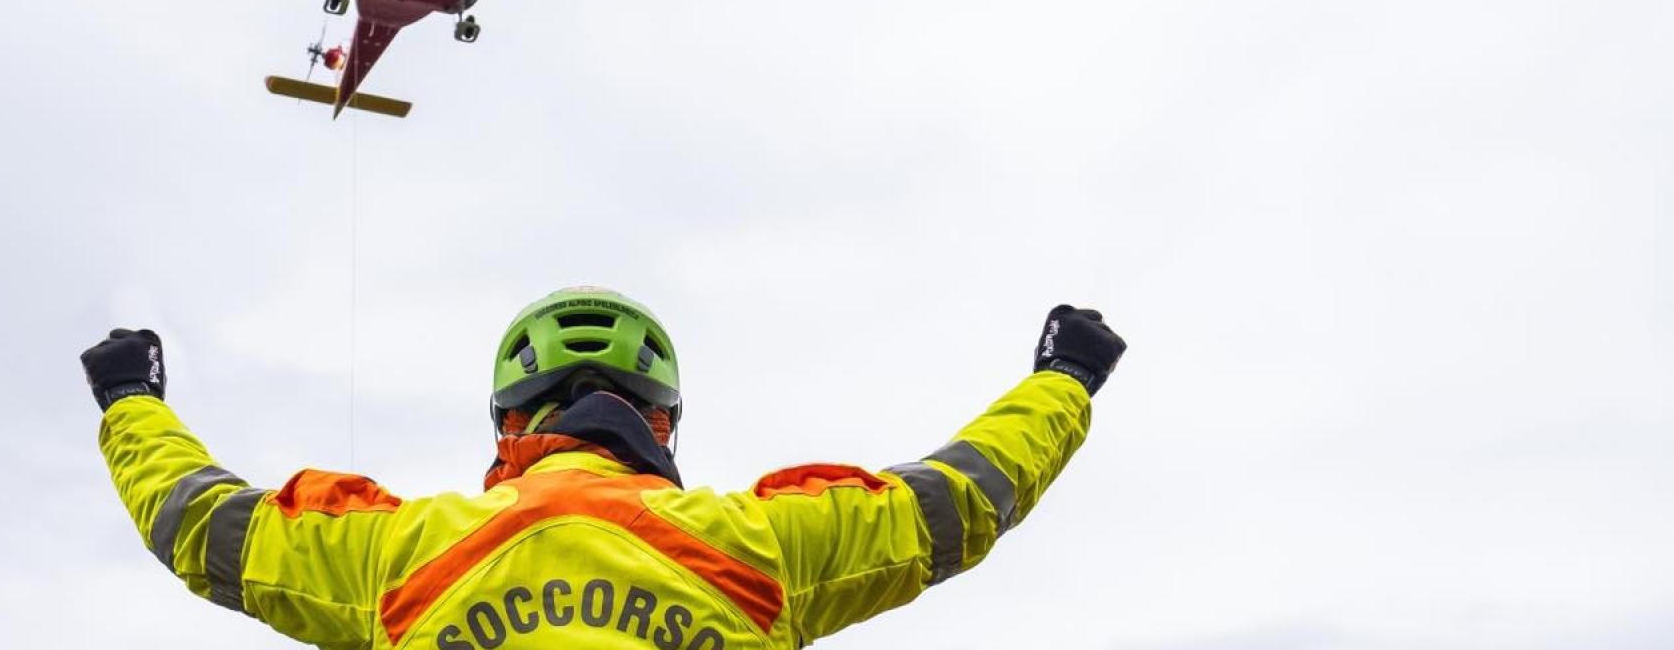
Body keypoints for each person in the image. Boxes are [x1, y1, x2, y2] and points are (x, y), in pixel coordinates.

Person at [82, 287, 1126, 650]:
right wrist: (1065, 380)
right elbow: (957, 500)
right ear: (663, 427)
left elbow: (199, 524)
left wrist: (133, 402)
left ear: (508, 431)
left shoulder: (393, 557)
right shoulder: (763, 547)